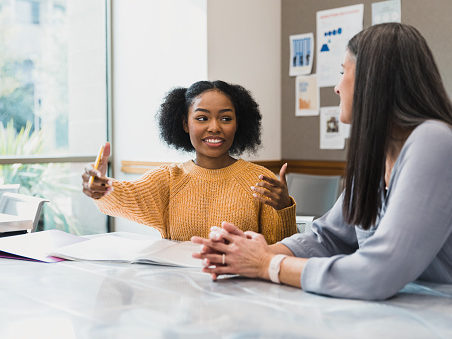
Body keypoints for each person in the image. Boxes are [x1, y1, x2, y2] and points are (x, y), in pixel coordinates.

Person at [192, 23, 452, 300]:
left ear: (371, 80)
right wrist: (248, 252)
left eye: (343, 72)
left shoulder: (434, 140)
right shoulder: (376, 155)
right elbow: (328, 237)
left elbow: (378, 274)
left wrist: (267, 265)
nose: (338, 87)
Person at [82, 80, 297, 243]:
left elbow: (281, 249)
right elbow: (126, 195)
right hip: (178, 293)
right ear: (185, 124)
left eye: (225, 118)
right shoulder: (168, 179)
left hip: (241, 291)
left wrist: (284, 208)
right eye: (202, 118)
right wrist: (102, 188)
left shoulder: (261, 180)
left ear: (238, 124)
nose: (214, 127)